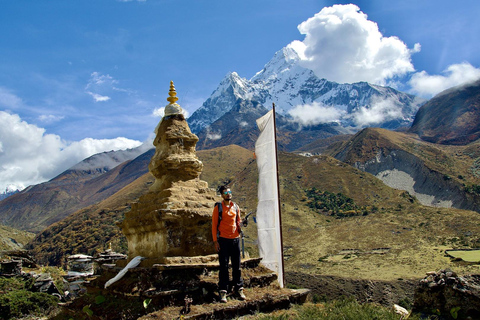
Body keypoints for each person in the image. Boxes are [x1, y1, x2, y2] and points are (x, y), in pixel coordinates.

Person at [212, 185, 246, 303]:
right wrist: (215, 241)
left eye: (229, 192)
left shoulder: (235, 207)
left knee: (237, 266)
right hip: (223, 240)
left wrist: (242, 224)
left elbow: (238, 222)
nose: (228, 194)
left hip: (235, 239)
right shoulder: (218, 208)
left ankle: (239, 288)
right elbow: (214, 225)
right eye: (226, 192)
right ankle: (223, 291)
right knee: (224, 266)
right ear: (222, 195)